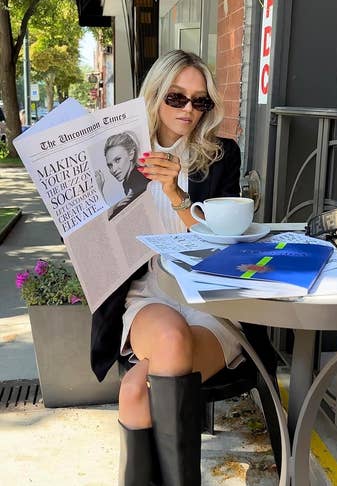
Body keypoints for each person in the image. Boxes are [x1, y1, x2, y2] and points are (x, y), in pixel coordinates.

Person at [90, 50, 243, 485]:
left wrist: (175, 192)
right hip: (150, 287)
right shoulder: (114, 155)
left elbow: (220, 247)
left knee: (138, 390)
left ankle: (140, 399)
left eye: (200, 101)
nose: (189, 110)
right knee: (171, 340)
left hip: (208, 291)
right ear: (155, 96)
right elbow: (98, 244)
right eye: (177, 98)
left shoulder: (219, 155)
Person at [95, 131, 149, 219]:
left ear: (131, 154)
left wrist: (99, 191)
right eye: (110, 165)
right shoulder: (128, 182)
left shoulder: (137, 181)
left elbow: (112, 221)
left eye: (117, 160)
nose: (114, 170)